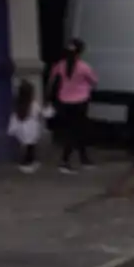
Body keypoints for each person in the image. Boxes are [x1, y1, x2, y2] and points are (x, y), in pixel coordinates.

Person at [48, 38, 97, 173]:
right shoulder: (84, 67)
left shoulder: (60, 65)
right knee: (77, 131)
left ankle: (83, 158)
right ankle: (65, 160)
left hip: (64, 101)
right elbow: (94, 81)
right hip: (80, 101)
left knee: (72, 129)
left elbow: (52, 80)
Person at [8, 80, 46, 174]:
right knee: (31, 147)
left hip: (21, 129)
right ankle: (28, 163)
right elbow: (39, 114)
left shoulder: (17, 104)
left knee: (24, 146)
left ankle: (23, 161)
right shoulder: (33, 104)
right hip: (31, 129)